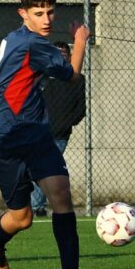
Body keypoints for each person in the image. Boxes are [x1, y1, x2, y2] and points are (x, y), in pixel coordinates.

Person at [0, 0, 93, 269]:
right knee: (22, 217)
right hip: (3, 138)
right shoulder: (32, 44)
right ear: (23, 13)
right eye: (38, 13)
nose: (46, 19)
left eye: (50, 12)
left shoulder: (18, 38)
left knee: (60, 194)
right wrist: (81, 39)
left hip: (35, 133)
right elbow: (71, 75)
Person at [31, 41, 85, 217]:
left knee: (46, 168)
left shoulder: (76, 79)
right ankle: (35, 205)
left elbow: (80, 107)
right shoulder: (42, 76)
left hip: (60, 133)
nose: (61, 55)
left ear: (70, 56)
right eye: (57, 52)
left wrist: (67, 122)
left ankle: (37, 206)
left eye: (64, 53)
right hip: (39, 131)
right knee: (37, 167)